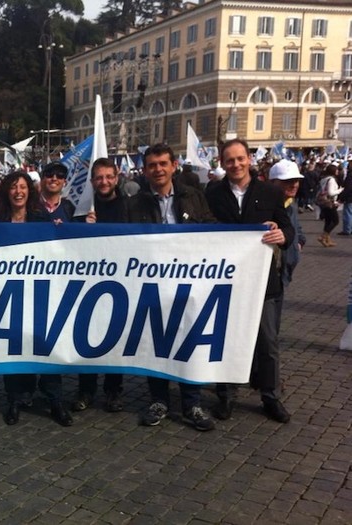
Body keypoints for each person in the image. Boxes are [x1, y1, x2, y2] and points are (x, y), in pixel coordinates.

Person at [128, 144, 217, 431]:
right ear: (145, 169)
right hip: (152, 284)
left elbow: (213, 230)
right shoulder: (136, 203)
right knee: (156, 342)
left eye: (163, 163)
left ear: (174, 165)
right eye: (152, 165)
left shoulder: (194, 197)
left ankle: (192, 403)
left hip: (189, 283)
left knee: (188, 341)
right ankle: (159, 400)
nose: (158, 169)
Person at [206, 138, 294, 423]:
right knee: (227, 338)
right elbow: (203, 228)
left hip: (263, 281)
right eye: (229, 160)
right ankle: (226, 395)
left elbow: (287, 226)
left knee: (268, 342)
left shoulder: (269, 192)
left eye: (240, 158)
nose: (235, 164)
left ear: (249, 160)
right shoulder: (213, 192)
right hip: (227, 281)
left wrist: (283, 234)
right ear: (222, 163)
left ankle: (270, 396)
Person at [0, 170, 73, 427]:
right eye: (13, 187)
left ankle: (54, 399)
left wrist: (59, 232)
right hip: (8, 296)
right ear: (6, 191)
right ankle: (14, 399)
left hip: (39, 295)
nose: (18, 192)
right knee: (13, 349)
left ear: (29, 191)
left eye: (22, 187)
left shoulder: (41, 218)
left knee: (46, 347)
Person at [72, 158, 128, 413]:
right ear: (92, 181)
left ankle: (113, 390)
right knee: (87, 337)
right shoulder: (83, 210)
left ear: (116, 177)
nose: (104, 182)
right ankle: (86, 390)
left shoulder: (128, 206)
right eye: (99, 178)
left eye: (108, 177)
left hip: (121, 282)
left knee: (115, 339)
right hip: (89, 284)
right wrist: (84, 230)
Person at [268, 159, 306, 333]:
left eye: (296, 180)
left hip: (284, 272)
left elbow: (297, 227)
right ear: (273, 182)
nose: (294, 185)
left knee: (274, 324)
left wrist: (299, 241)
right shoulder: (265, 206)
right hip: (269, 274)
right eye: (287, 181)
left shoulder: (291, 204)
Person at [316, 163, 343, 247]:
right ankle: (323, 236)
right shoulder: (331, 180)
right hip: (329, 202)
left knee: (328, 221)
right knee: (335, 221)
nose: (338, 171)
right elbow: (331, 193)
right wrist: (340, 190)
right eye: (336, 170)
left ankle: (327, 240)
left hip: (323, 202)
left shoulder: (324, 178)